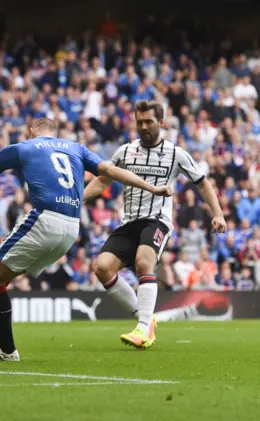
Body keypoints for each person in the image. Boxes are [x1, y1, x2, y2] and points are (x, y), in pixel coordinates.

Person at [0, 117, 173, 361]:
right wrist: (152, 188)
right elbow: (111, 172)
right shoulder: (76, 148)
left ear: (31, 131)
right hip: (71, 228)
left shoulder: (22, 148)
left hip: (43, 219)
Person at [83, 100, 227, 349]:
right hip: (129, 222)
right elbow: (103, 180)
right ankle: (146, 319)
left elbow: (202, 183)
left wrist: (218, 214)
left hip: (158, 220)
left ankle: (142, 328)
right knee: (102, 267)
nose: (143, 126)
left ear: (161, 123)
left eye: (149, 121)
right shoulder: (125, 151)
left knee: (143, 261)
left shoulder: (175, 154)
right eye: (139, 122)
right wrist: (76, 199)